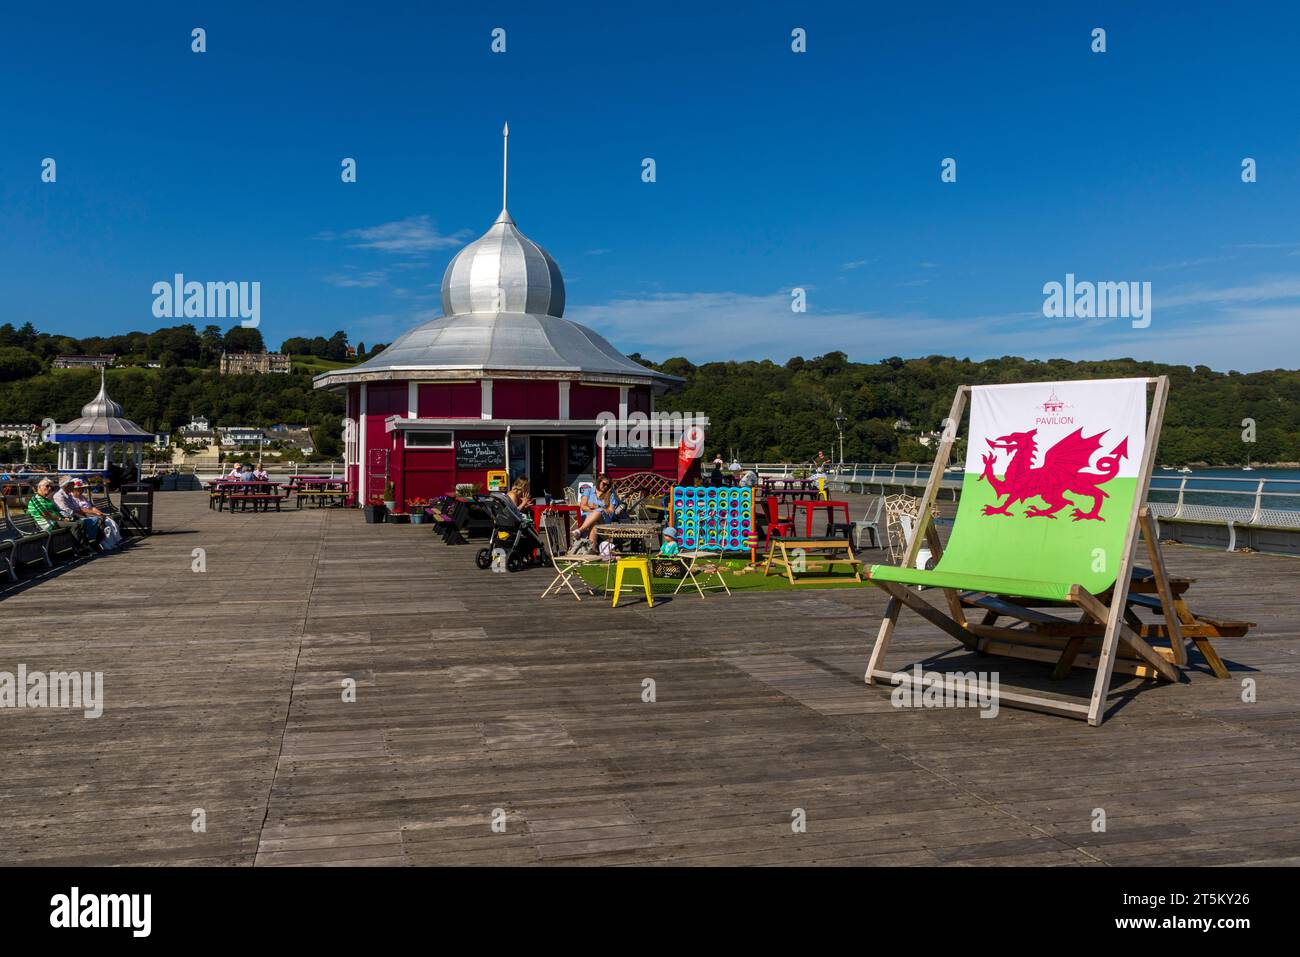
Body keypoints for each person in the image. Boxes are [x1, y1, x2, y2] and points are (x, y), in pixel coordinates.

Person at [27, 478, 90, 551]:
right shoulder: (35, 499)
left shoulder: (45, 499)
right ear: (39, 487)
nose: (49, 488)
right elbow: (45, 514)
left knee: (80, 522)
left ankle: (85, 546)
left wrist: (65, 518)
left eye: (51, 487)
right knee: (75, 525)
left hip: (54, 521)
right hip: (48, 524)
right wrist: (61, 519)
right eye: (47, 486)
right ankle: (79, 549)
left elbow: (54, 511)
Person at [573, 473, 621, 553]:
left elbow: (611, 511)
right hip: (588, 519)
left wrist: (597, 507)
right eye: (604, 484)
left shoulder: (610, 494)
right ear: (599, 481)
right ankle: (593, 549)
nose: (605, 486)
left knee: (598, 511)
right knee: (595, 522)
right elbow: (583, 506)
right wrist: (594, 512)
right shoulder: (588, 491)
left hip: (604, 519)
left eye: (608, 485)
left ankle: (580, 530)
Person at [53, 477, 102, 546]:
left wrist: (81, 514)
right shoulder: (59, 496)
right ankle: (83, 546)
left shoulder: (68, 494)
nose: (74, 486)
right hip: (66, 518)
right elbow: (67, 510)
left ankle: (94, 543)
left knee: (97, 520)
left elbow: (75, 508)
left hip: (74, 516)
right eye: (72, 484)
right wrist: (81, 515)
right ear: (66, 485)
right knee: (82, 523)